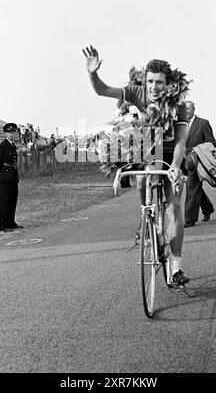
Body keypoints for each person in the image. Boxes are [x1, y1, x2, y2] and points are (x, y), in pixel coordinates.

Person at [83, 45, 190, 287]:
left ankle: (176, 268)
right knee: (143, 176)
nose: (154, 87)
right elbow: (102, 90)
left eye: (159, 83)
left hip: (171, 150)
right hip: (147, 149)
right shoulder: (136, 92)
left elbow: (182, 140)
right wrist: (92, 73)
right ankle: (146, 214)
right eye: (150, 81)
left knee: (174, 207)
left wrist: (175, 167)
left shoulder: (178, 104)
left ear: (168, 84)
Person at [184, 101, 216, 227]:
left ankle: (189, 220)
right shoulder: (180, 125)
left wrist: (197, 152)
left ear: (193, 109)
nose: (185, 111)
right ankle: (207, 209)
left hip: (197, 162)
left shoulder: (203, 123)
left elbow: (211, 143)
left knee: (191, 187)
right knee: (194, 188)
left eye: (188, 108)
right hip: (183, 163)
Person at [0, 123, 23, 232]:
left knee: (12, 200)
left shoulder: (13, 145)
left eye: (13, 132)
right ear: (5, 133)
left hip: (13, 176)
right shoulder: (1, 146)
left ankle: (11, 222)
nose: (11, 134)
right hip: (4, 177)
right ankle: (4, 225)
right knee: (5, 202)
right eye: (9, 132)